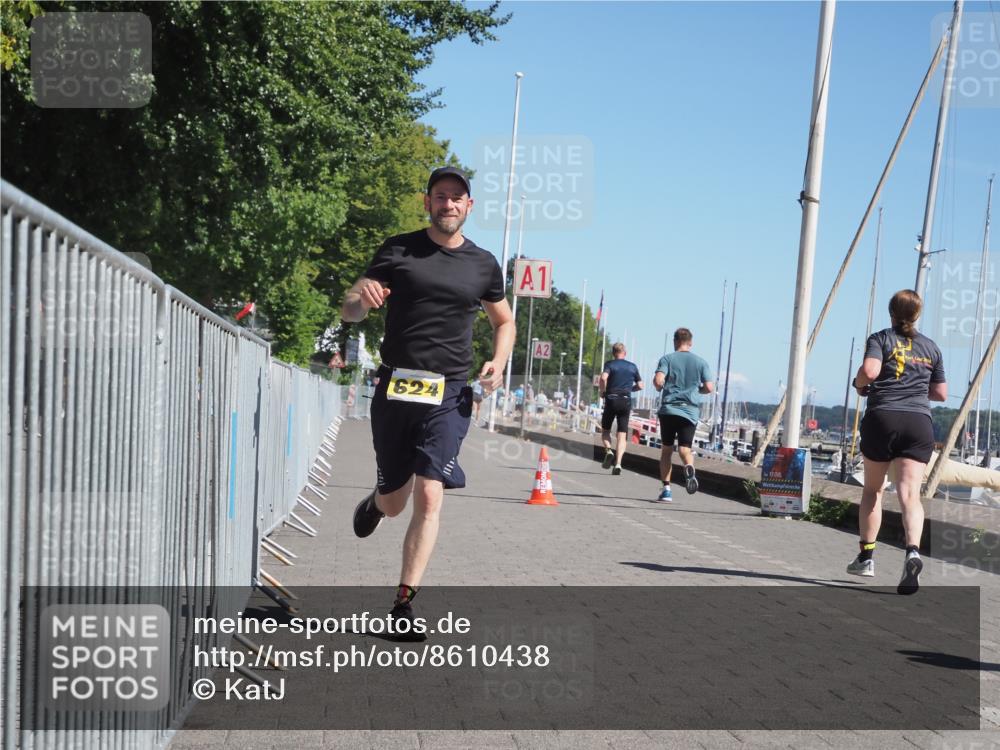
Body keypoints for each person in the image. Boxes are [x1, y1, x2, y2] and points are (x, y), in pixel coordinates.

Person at [341, 166, 515, 637]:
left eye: (458, 198)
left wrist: (498, 362)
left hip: (451, 391)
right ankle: (377, 503)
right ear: (428, 202)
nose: (449, 204)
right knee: (397, 502)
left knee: (431, 491)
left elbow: (504, 321)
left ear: (469, 207)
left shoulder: (483, 264)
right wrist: (363, 299)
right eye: (441, 196)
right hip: (396, 386)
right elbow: (350, 308)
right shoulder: (399, 248)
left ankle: (402, 606)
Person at [846, 289, 946, 595]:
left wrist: (859, 384)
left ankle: (866, 557)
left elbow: (869, 371)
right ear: (917, 314)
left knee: (873, 491)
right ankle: (913, 552)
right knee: (910, 496)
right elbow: (941, 393)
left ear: (891, 312)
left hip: (884, 418)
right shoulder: (931, 347)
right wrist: (915, 393)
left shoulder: (880, 338)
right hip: (918, 422)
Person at [653, 328, 713, 502]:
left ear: (675, 341)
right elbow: (709, 387)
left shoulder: (667, 359)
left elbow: (658, 381)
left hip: (670, 409)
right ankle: (689, 466)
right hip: (690, 411)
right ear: (690, 343)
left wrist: (660, 387)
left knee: (666, 450)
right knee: (685, 449)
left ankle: (666, 490)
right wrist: (697, 390)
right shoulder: (701, 362)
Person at [599, 343, 643, 475]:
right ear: (625, 352)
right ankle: (618, 463)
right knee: (622, 435)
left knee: (606, 431)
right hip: (625, 401)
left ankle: (608, 450)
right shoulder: (632, 366)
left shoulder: (610, 364)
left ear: (614, 353)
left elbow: (603, 377)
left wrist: (603, 391)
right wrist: (631, 389)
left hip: (611, 399)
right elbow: (640, 385)